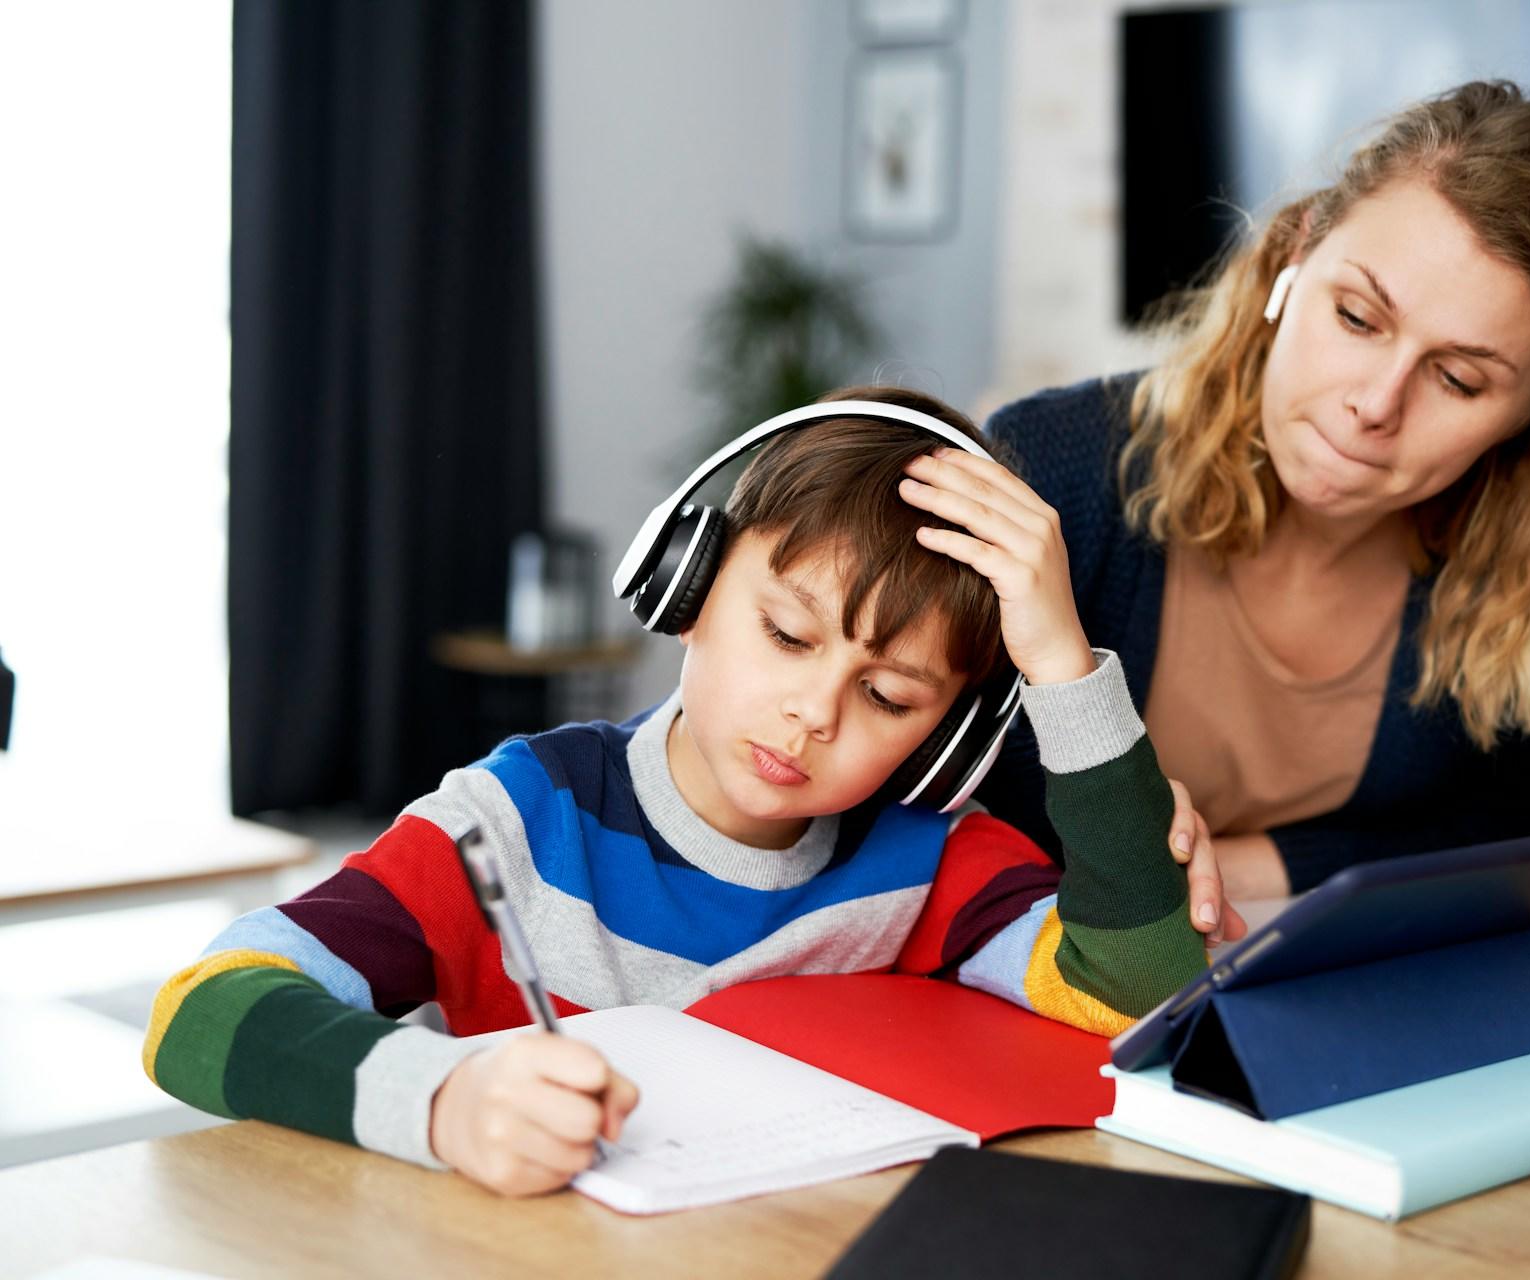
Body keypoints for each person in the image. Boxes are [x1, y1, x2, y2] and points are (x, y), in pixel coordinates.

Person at [142, 387, 1208, 1198]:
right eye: (787, 633)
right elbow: (203, 1007)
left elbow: (1137, 989)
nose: (813, 714)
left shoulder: (930, 855)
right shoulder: (517, 820)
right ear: (687, 583)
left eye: (887, 694)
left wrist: (1067, 671)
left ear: (947, 735)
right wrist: (441, 1101)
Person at [974, 80, 1530, 927]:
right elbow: (908, 789)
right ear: (1296, 255)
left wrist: (1254, 869)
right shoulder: (1061, 466)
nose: (1375, 403)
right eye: (1357, 318)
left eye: (1459, 378)